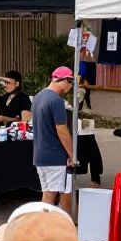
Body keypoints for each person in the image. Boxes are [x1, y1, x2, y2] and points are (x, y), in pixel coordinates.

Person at [31, 67, 76, 213]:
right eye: (70, 83)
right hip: (54, 156)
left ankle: (44, 229)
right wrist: (72, 155)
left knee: (47, 195)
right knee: (52, 198)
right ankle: (47, 231)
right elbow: (62, 131)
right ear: (64, 80)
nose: (70, 88)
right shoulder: (57, 101)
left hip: (40, 155)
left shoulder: (38, 96)